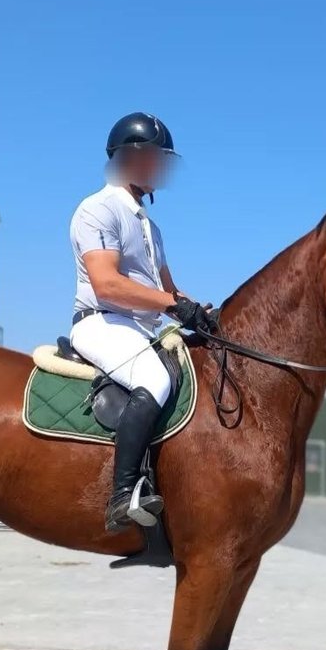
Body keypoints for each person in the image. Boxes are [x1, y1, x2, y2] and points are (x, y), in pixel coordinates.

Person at [69, 112, 216, 532]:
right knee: (154, 379)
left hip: (141, 326)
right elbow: (107, 284)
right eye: (156, 158)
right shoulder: (97, 209)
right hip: (102, 320)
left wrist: (201, 313)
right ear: (129, 158)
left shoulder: (150, 227)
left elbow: (170, 290)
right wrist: (172, 305)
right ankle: (123, 495)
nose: (161, 169)